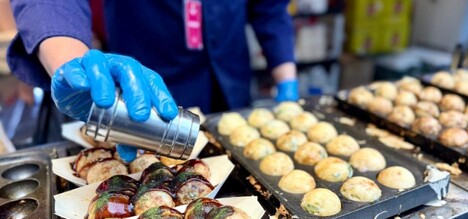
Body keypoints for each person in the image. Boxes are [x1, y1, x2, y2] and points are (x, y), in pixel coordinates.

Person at [7, 0, 298, 161]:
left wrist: (286, 79)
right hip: (144, 88)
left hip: (229, 82)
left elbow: (269, 8)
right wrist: (69, 57)